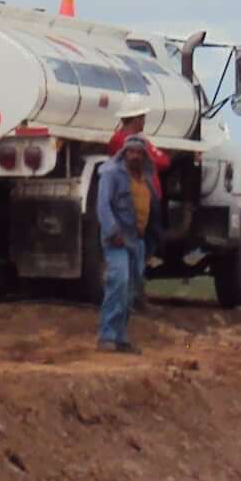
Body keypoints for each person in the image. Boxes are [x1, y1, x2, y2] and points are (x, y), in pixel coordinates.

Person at [92, 133, 148, 353]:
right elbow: (103, 205)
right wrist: (112, 230)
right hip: (117, 238)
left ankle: (121, 337)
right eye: (131, 151)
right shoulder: (111, 173)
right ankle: (107, 335)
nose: (134, 156)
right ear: (124, 152)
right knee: (119, 282)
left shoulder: (144, 176)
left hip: (137, 238)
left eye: (139, 152)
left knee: (131, 288)